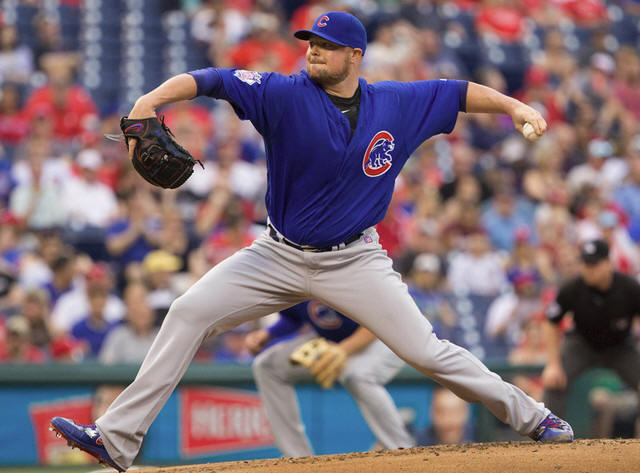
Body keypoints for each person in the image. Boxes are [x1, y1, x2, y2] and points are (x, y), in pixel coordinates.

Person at [50, 11, 573, 471]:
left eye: (326, 46)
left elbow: (458, 92)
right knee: (187, 312)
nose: (314, 51)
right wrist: (149, 100)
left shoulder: (395, 103)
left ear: (355, 56)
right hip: (276, 254)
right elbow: (211, 79)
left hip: (355, 259)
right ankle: (116, 439)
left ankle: (535, 418)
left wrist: (515, 107)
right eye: (311, 43)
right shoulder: (282, 94)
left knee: (428, 352)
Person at [245, 300, 414, 456]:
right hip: (333, 342)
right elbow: (294, 317)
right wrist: (268, 333)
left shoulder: (347, 277)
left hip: (386, 336)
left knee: (357, 375)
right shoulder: (296, 281)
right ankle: (297, 459)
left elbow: (379, 318)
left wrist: (343, 350)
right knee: (268, 366)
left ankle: (402, 450)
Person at [542, 239, 640, 418]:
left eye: (594, 264)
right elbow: (551, 322)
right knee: (554, 381)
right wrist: (553, 364)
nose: (588, 269)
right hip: (582, 344)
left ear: (608, 263)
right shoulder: (573, 288)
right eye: (585, 264)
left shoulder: (630, 288)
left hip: (621, 346)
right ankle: (550, 431)